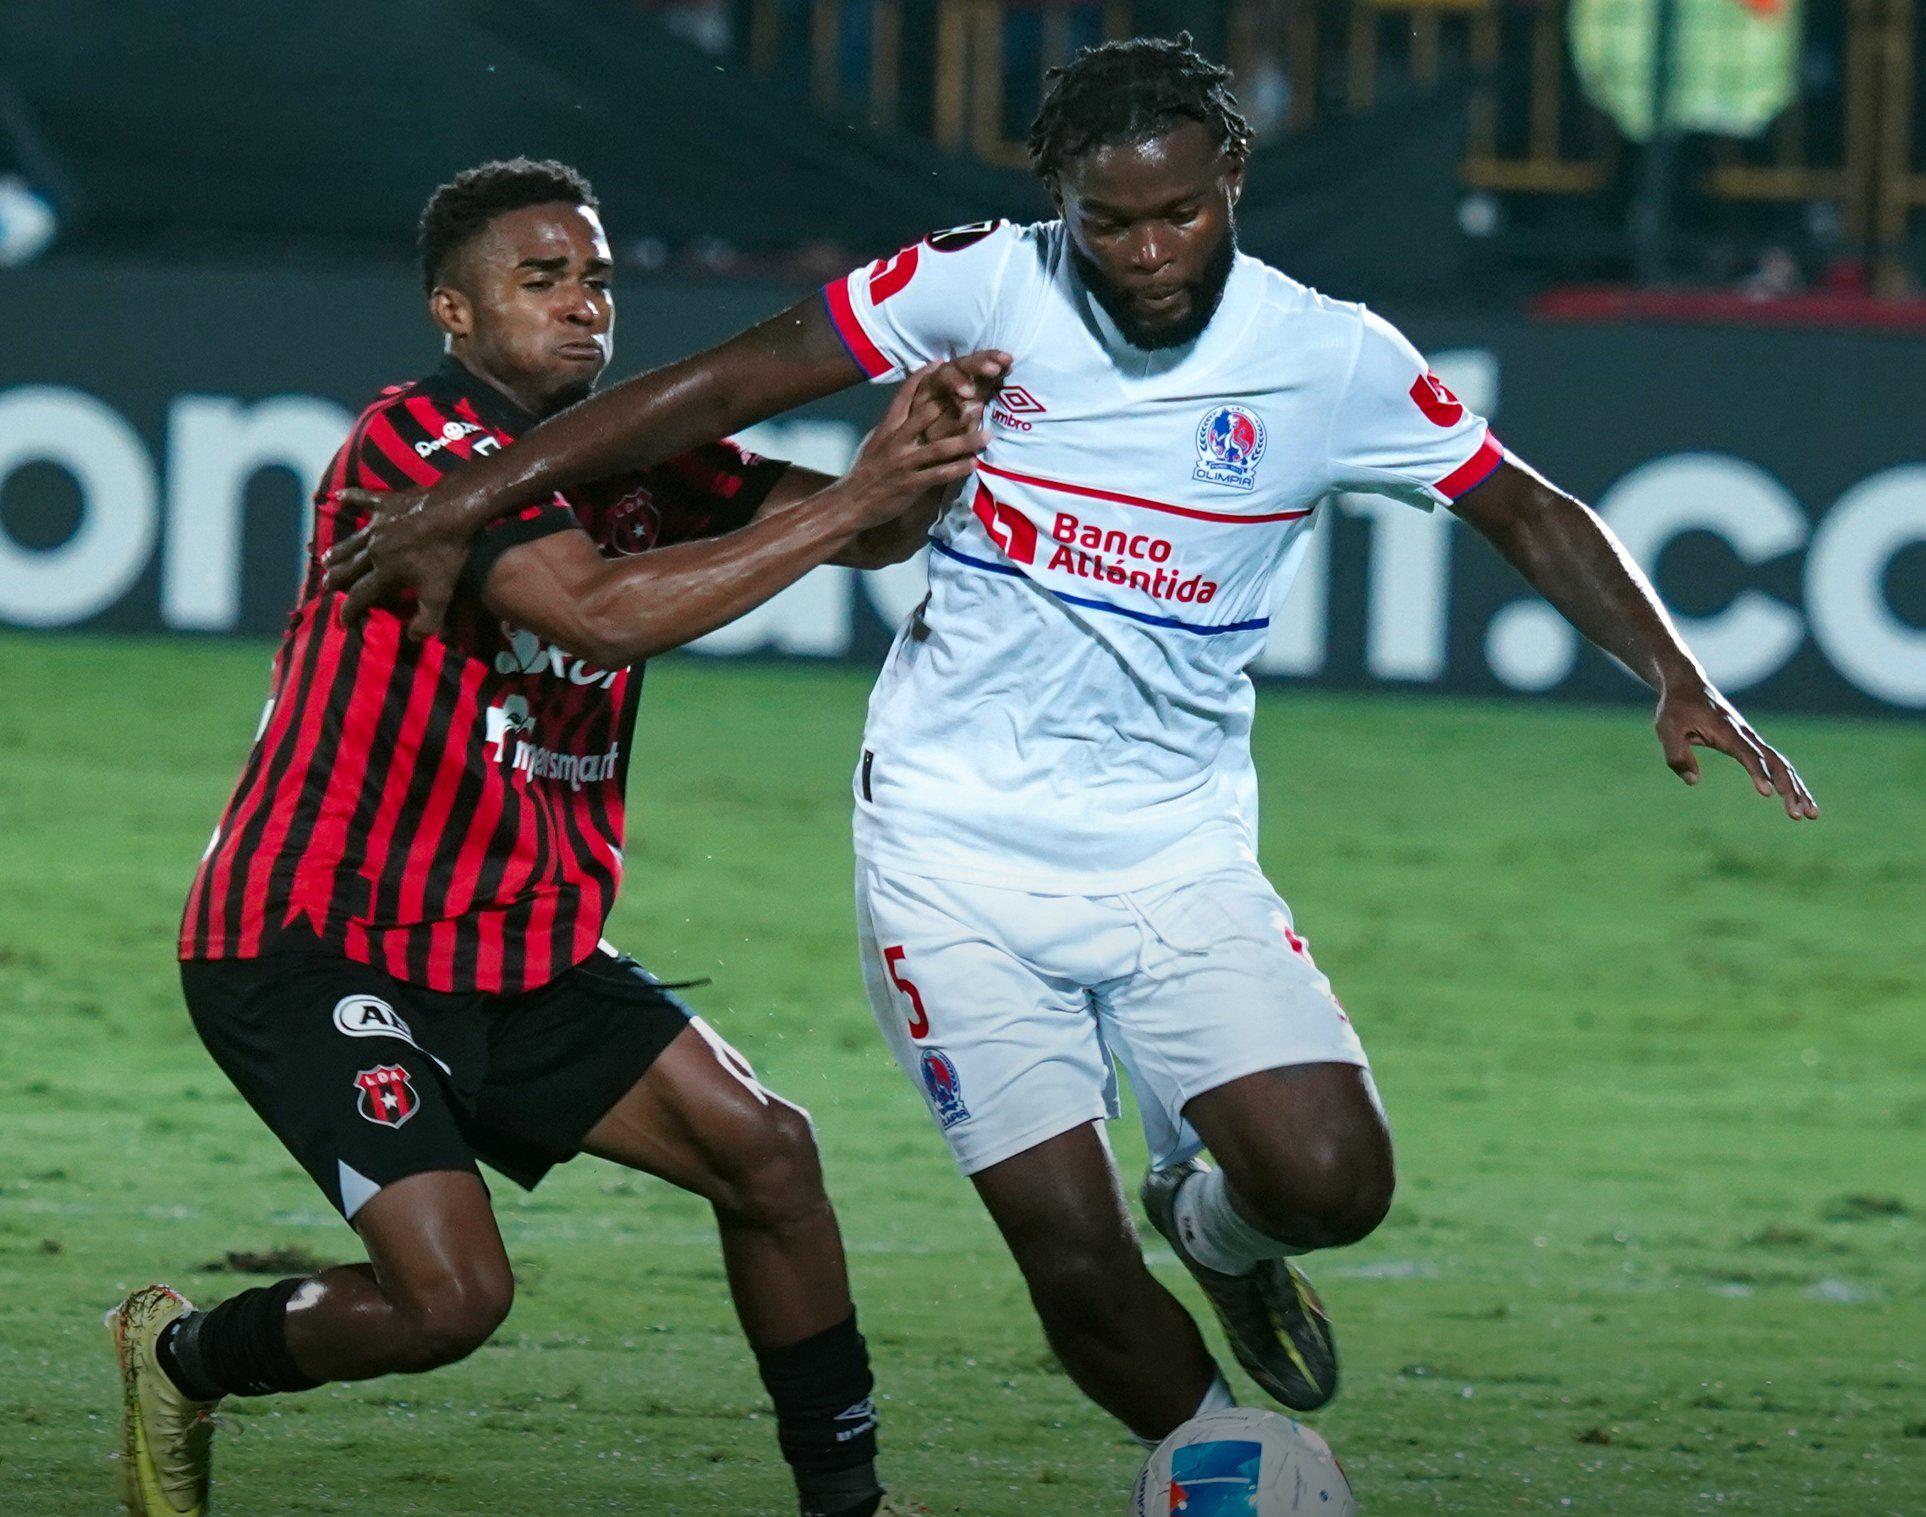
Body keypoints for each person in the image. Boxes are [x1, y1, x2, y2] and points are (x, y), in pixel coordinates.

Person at [323, 40, 1818, 1447]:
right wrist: (467, 495)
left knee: (1330, 1181)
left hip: (1173, 845)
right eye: (1111, 222)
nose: (1150, 251)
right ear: (1061, 202)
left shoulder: (1328, 356)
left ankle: (1216, 1229)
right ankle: (1219, 1464)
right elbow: (719, 384)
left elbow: (1523, 505)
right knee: (1072, 1259)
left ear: (1231, 183)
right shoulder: (979, 281)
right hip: (945, 850)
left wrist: (1672, 671)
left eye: (1181, 214)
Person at [109, 157, 991, 1517]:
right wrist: (850, 497)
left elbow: (872, 538)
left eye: (596, 278)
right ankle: (180, 1357)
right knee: (452, 1300)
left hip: (514, 943)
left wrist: (923, 456)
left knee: (767, 1151)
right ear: (454, 311)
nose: (584, 304)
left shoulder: (636, 458)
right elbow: (596, 615)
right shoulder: (418, 444)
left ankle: (850, 1505)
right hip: (319, 932)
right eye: (542, 279)